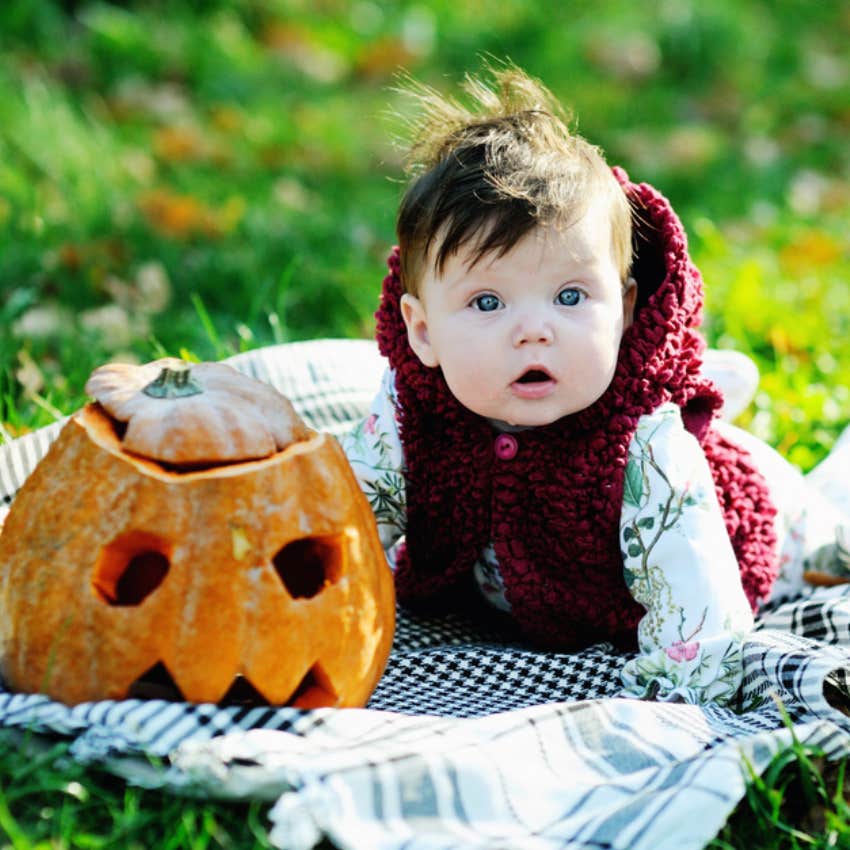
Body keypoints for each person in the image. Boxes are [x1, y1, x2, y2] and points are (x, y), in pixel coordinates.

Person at [340, 66, 849, 706]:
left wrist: (682, 698)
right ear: (423, 331)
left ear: (626, 309)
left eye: (570, 296)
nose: (534, 332)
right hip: (524, 603)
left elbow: (697, 600)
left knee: (836, 535)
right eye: (488, 302)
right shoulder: (408, 414)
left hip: (772, 529)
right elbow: (347, 513)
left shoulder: (644, 449)